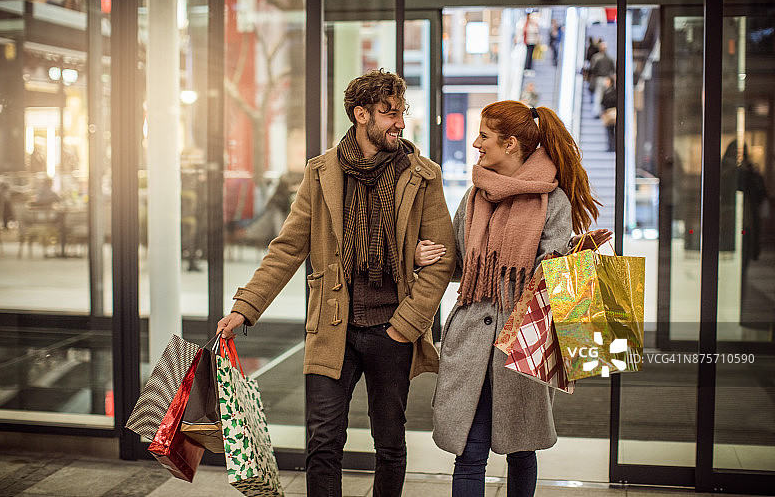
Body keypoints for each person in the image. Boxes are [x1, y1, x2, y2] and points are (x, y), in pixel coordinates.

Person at [216, 69, 455, 497]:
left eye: (401, 112)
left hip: (392, 329)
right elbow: (288, 247)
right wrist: (244, 307)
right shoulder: (322, 172)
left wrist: (409, 323)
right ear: (361, 114)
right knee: (323, 443)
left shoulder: (422, 175)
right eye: (389, 113)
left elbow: (442, 259)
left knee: (390, 445)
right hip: (333, 327)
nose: (399, 122)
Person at [428, 101, 604, 497]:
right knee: (470, 452)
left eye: (484, 137)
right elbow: (460, 266)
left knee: (521, 450)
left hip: (521, 347)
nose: (476, 143)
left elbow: (548, 277)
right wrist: (431, 255)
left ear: (509, 144)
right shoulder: (474, 197)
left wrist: (569, 260)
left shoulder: (551, 202)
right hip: (471, 341)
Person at [589, 41, 616, 118]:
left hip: (600, 79)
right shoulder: (609, 59)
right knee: (602, 96)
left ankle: (597, 112)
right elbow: (613, 71)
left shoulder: (596, 57)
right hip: (606, 80)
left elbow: (593, 69)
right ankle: (600, 112)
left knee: (598, 96)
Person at [600, 75, 618, 152]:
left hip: (612, 112)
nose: (605, 82)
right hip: (607, 113)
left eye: (607, 81)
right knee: (609, 131)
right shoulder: (605, 91)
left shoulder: (613, 92)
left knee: (613, 131)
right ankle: (611, 146)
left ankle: (614, 146)